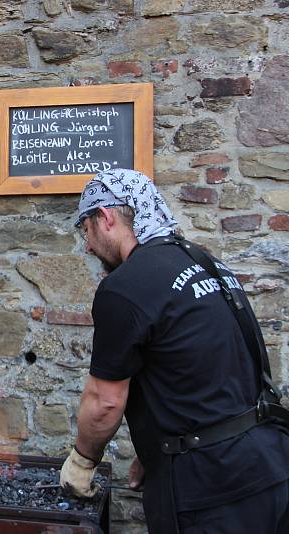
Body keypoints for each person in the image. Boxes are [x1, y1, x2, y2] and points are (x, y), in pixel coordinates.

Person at [59, 168, 289, 533]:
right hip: (269, 465)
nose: (87, 245)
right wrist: (156, 452)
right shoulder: (204, 262)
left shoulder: (125, 287)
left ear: (105, 218)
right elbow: (205, 367)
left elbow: (104, 402)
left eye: (85, 230)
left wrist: (82, 463)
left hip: (211, 489)